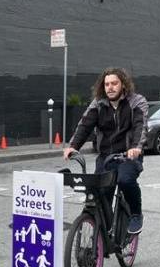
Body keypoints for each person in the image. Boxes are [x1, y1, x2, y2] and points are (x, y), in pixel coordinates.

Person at [63, 68, 148, 234]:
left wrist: (136, 148)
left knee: (125, 180)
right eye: (107, 84)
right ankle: (104, 229)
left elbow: (141, 126)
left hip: (128, 156)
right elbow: (85, 125)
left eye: (114, 83)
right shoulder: (99, 103)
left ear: (123, 85)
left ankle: (136, 214)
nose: (110, 87)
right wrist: (73, 146)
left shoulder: (136, 102)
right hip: (106, 157)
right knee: (100, 192)